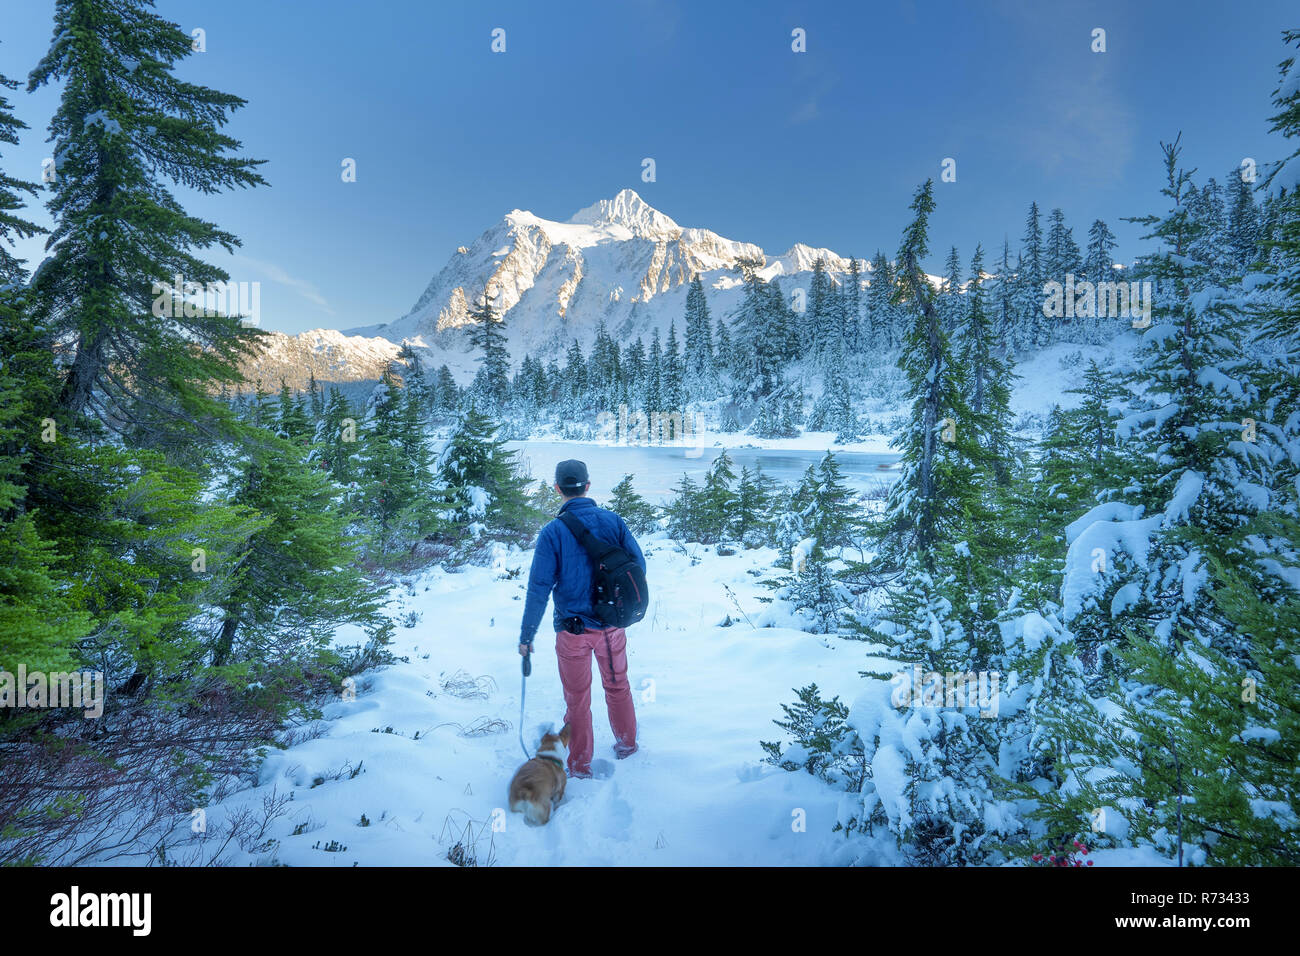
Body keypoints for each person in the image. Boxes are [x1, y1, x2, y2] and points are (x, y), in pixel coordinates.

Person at [518, 459, 646, 778]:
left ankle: (579, 765)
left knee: (577, 698)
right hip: (612, 628)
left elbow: (539, 588)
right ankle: (627, 746)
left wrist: (526, 636)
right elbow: (639, 567)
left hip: (572, 631)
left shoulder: (552, 533)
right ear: (587, 486)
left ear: (558, 488)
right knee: (618, 687)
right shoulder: (614, 522)